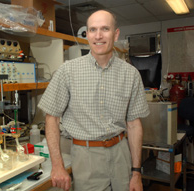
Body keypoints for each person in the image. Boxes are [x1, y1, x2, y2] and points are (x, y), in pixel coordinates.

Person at [38, 10, 150, 191]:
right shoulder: (68, 71)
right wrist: (57, 165)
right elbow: (52, 118)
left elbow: (134, 124)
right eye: (93, 30)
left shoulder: (131, 74)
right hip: (85, 156)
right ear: (87, 34)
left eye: (105, 29)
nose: (98, 36)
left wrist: (136, 172)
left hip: (122, 154)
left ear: (116, 34)